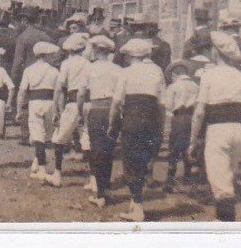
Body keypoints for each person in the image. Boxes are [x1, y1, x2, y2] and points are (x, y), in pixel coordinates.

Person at [188, 31, 241, 222]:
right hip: (239, 128)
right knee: (228, 179)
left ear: (216, 52)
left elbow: (199, 113)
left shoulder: (209, 75)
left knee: (221, 186)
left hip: (218, 128)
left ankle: (224, 228)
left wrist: (192, 141)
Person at [108, 38, 165, 222]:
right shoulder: (157, 72)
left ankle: (138, 207)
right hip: (151, 118)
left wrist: (111, 124)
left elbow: (116, 103)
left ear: (131, 56)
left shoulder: (126, 73)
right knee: (143, 159)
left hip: (132, 118)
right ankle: (135, 202)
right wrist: (160, 126)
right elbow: (162, 104)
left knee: (131, 162)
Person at [78, 35, 122, 208]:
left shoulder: (89, 69)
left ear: (95, 51)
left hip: (96, 109)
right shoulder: (118, 69)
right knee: (109, 149)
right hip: (112, 109)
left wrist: (80, 111)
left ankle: (100, 191)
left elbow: (81, 93)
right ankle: (104, 186)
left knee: (96, 149)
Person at [45, 32, 90, 187]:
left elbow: (59, 88)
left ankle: (57, 174)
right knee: (87, 138)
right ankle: (94, 179)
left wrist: (56, 108)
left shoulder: (66, 64)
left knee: (59, 138)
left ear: (68, 50)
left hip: (72, 101)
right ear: (82, 49)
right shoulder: (88, 63)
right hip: (88, 102)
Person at [16, 40, 60, 181]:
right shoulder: (54, 71)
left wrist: (18, 109)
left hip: (35, 103)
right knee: (47, 135)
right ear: (46, 55)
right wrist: (58, 110)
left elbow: (22, 92)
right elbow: (58, 92)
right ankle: (37, 162)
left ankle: (42, 168)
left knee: (37, 136)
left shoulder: (29, 70)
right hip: (50, 103)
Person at [11, 7, 52, 146]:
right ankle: (43, 135)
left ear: (25, 20)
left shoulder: (23, 37)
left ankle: (26, 135)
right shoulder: (45, 35)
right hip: (45, 72)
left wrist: (14, 78)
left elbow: (18, 61)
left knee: (26, 104)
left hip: (28, 73)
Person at [163, 59, 198, 192]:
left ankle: (170, 182)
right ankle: (188, 179)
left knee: (174, 149)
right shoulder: (195, 86)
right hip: (193, 118)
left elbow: (169, 105)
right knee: (189, 147)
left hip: (179, 118)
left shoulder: (174, 86)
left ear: (175, 74)